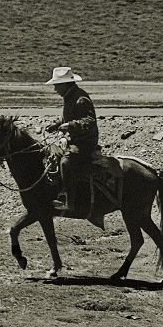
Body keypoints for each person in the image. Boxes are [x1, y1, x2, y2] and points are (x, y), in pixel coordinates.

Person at [44, 66, 99, 217]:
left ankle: (69, 201)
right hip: (74, 139)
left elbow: (90, 121)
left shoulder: (81, 99)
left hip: (84, 143)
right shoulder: (70, 97)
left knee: (66, 162)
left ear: (64, 84)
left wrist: (70, 126)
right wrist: (57, 124)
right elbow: (68, 117)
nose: (55, 89)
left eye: (56, 85)